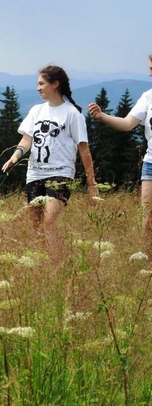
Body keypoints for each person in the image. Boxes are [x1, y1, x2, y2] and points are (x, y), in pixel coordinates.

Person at [2, 65, 98, 257]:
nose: (38, 88)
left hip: (61, 173)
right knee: (36, 224)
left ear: (55, 84)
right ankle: (42, 261)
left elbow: (83, 149)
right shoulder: (36, 111)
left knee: (49, 221)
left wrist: (91, 183)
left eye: (41, 83)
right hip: (35, 173)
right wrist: (16, 155)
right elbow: (26, 139)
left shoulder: (73, 114)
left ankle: (57, 262)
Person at [88, 54, 152, 255]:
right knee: (148, 221)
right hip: (151, 164)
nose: (150, 72)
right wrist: (102, 116)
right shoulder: (148, 97)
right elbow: (127, 124)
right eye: (150, 68)